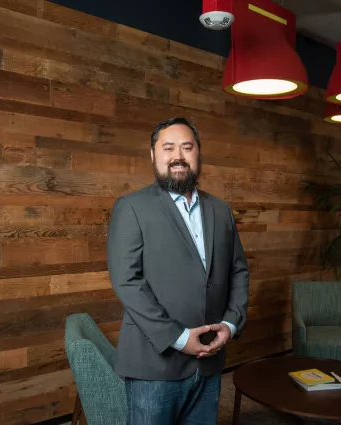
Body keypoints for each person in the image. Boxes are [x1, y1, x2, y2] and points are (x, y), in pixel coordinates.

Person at [107, 117, 249, 425]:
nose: (178, 156)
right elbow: (127, 281)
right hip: (154, 367)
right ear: (153, 155)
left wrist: (230, 323)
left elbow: (238, 270)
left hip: (210, 363)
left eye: (187, 147)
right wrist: (179, 338)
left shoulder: (221, 209)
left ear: (199, 153)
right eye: (168, 147)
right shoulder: (131, 207)